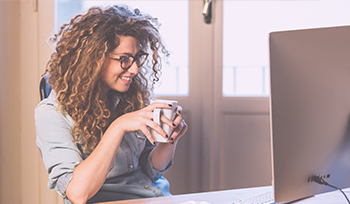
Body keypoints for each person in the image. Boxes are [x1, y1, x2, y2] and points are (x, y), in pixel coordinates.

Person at [34, 5, 188, 204]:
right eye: (124, 59)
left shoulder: (131, 96)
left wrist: (169, 141)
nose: (134, 69)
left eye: (137, 58)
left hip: (156, 198)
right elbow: (77, 193)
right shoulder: (52, 113)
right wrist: (118, 126)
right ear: (93, 60)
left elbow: (150, 170)